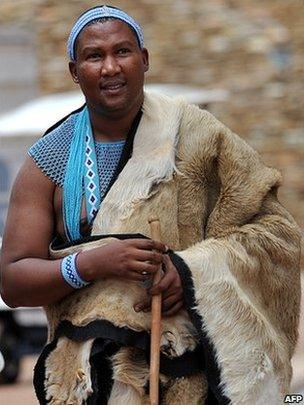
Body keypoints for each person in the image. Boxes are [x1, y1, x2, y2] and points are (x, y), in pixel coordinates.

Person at [0, 5, 301, 405]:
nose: (110, 67)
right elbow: (14, 280)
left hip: (193, 376)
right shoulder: (48, 162)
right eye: (94, 56)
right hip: (88, 384)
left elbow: (277, 234)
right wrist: (90, 264)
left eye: (122, 52)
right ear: (75, 71)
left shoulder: (199, 137)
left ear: (144, 60)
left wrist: (188, 273)